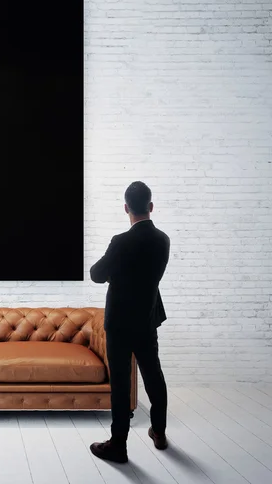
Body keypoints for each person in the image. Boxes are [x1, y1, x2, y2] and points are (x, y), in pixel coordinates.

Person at [89, 181, 170, 463]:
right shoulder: (163, 240)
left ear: (126, 208)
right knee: (154, 377)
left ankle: (118, 445)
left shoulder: (120, 242)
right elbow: (148, 276)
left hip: (120, 324)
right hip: (147, 320)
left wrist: (116, 275)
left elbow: (97, 274)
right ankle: (158, 432)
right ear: (150, 206)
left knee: (121, 385)